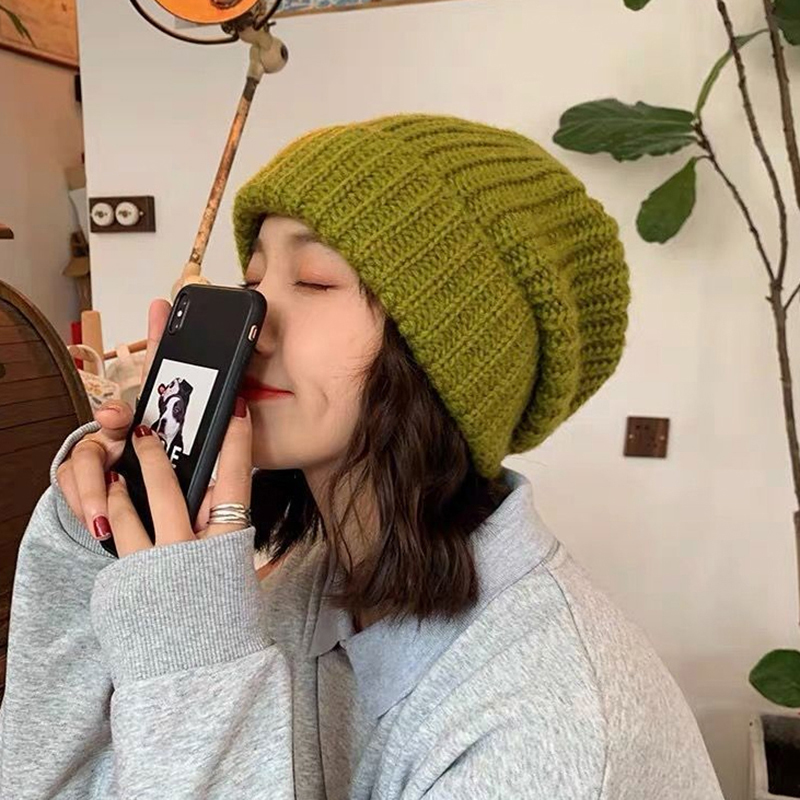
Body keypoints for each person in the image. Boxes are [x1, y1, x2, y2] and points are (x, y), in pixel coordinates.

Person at [0, 114, 724, 799]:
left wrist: (195, 663)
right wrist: (91, 542)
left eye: (314, 280)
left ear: (449, 357)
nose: (254, 325)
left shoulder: (549, 731)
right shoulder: (316, 588)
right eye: (252, 281)